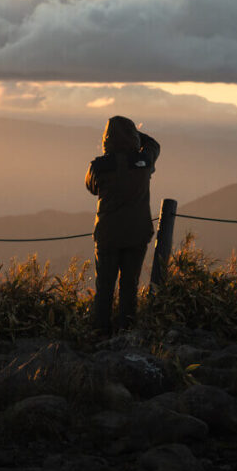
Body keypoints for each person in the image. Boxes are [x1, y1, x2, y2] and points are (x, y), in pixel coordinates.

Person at [85, 115, 161, 334]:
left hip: (108, 234)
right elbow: (154, 144)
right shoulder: (145, 161)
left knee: (105, 287)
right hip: (137, 233)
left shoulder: (99, 166)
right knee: (130, 286)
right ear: (133, 137)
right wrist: (136, 137)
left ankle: (100, 332)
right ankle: (126, 331)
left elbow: (91, 188)